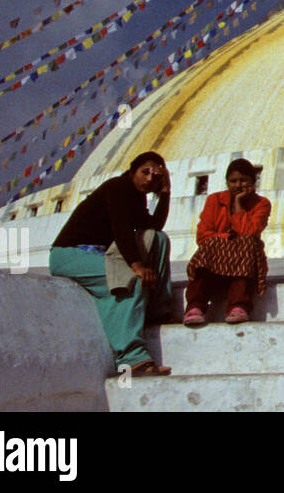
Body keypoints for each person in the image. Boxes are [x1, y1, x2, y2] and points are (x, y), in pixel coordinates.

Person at [49, 151, 174, 376]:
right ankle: (131, 359)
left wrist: (165, 193)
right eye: (145, 172)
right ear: (132, 171)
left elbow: (154, 226)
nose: (149, 179)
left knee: (160, 239)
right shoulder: (117, 188)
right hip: (70, 255)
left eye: (156, 176)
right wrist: (136, 266)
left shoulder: (137, 197)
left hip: (99, 256)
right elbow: (121, 229)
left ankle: (158, 310)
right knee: (128, 280)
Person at [183, 158, 272, 326]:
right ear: (227, 182)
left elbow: (250, 232)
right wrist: (227, 240)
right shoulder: (214, 200)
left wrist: (238, 204)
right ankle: (195, 307)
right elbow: (203, 235)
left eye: (243, 180)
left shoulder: (262, 204)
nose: (238, 185)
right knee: (210, 245)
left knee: (246, 243)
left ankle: (238, 306)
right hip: (215, 260)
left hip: (244, 261)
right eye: (233, 181)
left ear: (253, 182)